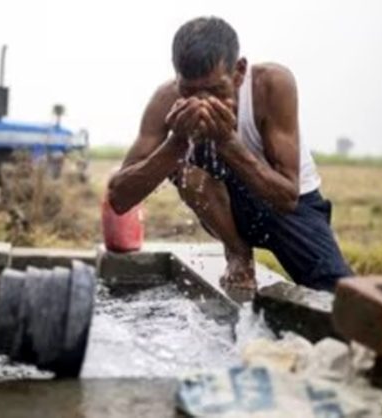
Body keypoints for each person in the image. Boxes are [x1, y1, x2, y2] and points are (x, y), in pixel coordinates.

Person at [107, 16, 353, 298]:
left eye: (215, 90)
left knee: (337, 296)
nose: (202, 102)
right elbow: (119, 197)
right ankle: (237, 253)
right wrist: (177, 143)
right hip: (223, 209)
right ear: (177, 78)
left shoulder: (271, 85)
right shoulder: (166, 101)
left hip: (288, 207)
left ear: (239, 71)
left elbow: (287, 197)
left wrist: (227, 141)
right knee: (189, 171)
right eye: (189, 91)